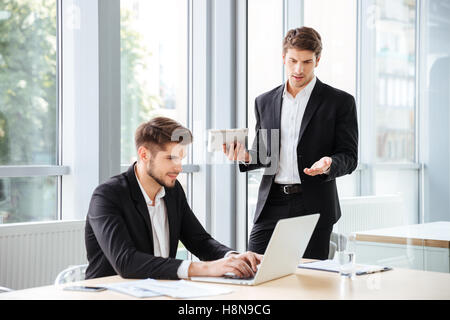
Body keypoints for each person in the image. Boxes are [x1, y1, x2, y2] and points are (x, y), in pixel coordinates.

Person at [224, 27, 358, 259]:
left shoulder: (340, 102)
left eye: (306, 61)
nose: (298, 69)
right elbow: (266, 155)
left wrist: (329, 163)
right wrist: (247, 156)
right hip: (271, 202)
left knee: (310, 281)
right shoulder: (264, 101)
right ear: (283, 58)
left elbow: (349, 156)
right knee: (252, 268)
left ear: (318, 60)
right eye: (293, 60)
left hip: (314, 205)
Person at [85, 116, 262, 280]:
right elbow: (126, 261)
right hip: (110, 293)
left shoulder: (172, 191)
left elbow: (200, 242)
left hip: (159, 291)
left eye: (181, 159)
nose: (178, 168)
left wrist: (233, 258)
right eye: (171, 158)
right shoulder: (107, 195)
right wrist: (206, 269)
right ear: (144, 154)